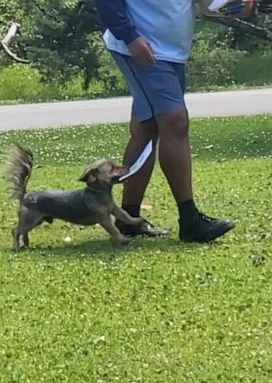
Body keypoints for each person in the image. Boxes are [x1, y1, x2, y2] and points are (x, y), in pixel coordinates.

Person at [94, 0, 257, 242]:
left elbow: (206, 5)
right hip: (141, 49)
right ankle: (190, 220)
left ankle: (128, 218)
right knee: (174, 121)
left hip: (173, 52)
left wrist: (238, 5)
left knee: (147, 127)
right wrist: (129, 37)